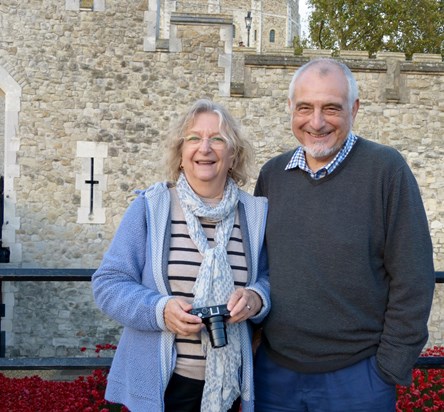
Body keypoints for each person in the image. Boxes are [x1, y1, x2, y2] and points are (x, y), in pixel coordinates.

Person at [253, 58, 435, 411]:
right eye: (305, 107)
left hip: (358, 380)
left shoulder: (386, 171)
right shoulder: (273, 175)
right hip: (274, 377)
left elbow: (413, 276)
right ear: (290, 108)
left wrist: (388, 368)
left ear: (354, 108)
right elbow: (257, 266)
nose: (316, 122)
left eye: (331, 108)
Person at [92, 99, 270, 412]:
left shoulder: (254, 214)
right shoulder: (151, 206)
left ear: (233, 155)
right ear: (180, 154)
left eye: (217, 138)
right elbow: (108, 284)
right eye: (193, 138)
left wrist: (255, 298)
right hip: (163, 386)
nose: (205, 148)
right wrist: (160, 311)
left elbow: (271, 280)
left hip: (231, 388)